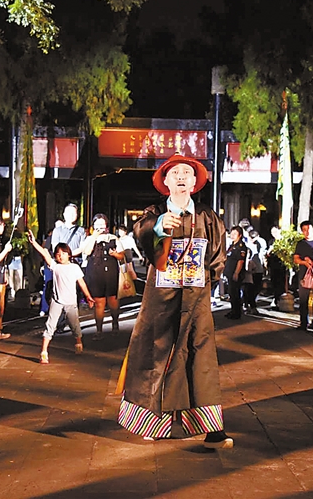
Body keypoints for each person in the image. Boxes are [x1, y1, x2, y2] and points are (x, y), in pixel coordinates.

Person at [118, 154, 233, 450]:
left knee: (200, 359)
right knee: (156, 356)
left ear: (194, 182)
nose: (181, 176)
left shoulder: (208, 217)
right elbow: (142, 238)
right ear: (165, 181)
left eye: (186, 172)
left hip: (196, 299)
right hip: (160, 301)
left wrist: (206, 281)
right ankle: (150, 422)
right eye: (175, 173)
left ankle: (212, 428)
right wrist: (158, 228)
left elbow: (218, 256)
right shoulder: (154, 213)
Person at [27, 234, 94, 363]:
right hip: (57, 302)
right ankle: (44, 352)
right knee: (50, 326)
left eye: (63, 253)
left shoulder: (74, 267)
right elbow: (45, 254)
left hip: (71, 303)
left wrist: (88, 296)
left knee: (75, 325)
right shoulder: (55, 266)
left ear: (69, 254)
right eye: (58, 254)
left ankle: (78, 342)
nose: (60, 256)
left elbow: (82, 283)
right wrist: (34, 243)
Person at [81, 213, 124, 340]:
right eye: (97, 224)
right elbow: (87, 251)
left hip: (111, 272)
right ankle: (99, 330)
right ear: (93, 226)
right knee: (99, 302)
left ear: (106, 225)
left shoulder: (113, 238)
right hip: (95, 273)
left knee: (113, 300)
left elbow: (122, 255)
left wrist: (115, 254)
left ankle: (115, 323)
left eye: (102, 224)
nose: (100, 227)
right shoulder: (89, 238)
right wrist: (94, 237)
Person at [223, 226, 247, 319]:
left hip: (235, 273)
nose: (232, 236)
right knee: (231, 293)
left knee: (235, 293)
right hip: (230, 272)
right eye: (231, 233)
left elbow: (240, 261)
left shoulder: (241, 246)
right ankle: (233, 310)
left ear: (240, 235)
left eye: (235, 234)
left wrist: (236, 273)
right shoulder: (232, 245)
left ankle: (237, 312)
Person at [266, 226, 287, 307]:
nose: (274, 234)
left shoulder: (283, 241)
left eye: (275, 232)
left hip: (281, 264)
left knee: (281, 282)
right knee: (274, 282)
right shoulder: (271, 241)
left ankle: (280, 299)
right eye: (272, 232)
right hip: (273, 264)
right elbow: (268, 254)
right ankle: (276, 298)